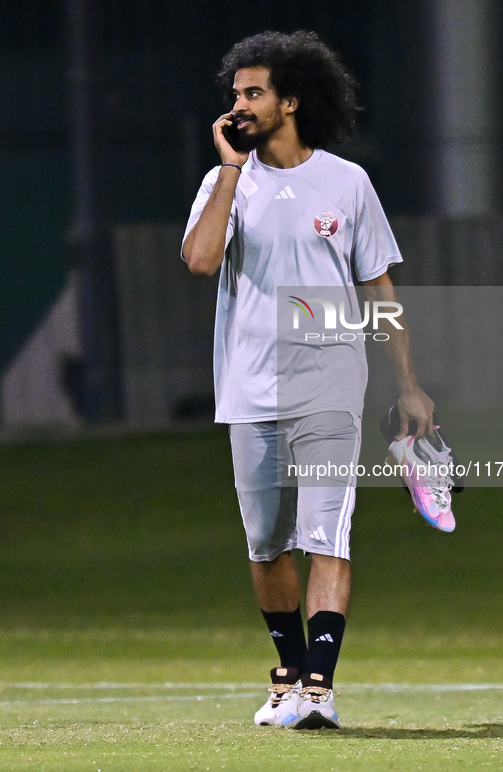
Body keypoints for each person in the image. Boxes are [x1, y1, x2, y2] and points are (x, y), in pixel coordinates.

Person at [182, 30, 435, 730]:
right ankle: (289, 675)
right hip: (248, 387)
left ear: (290, 101)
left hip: (328, 380)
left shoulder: (346, 183)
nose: (238, 104)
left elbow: (379, 289)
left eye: (252, 92)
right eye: (235, 94)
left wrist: (407, 384)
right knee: (266, 543)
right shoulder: (222, 183)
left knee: (327, 535)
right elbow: (201, 262)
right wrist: (230, 171)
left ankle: (318, 688)